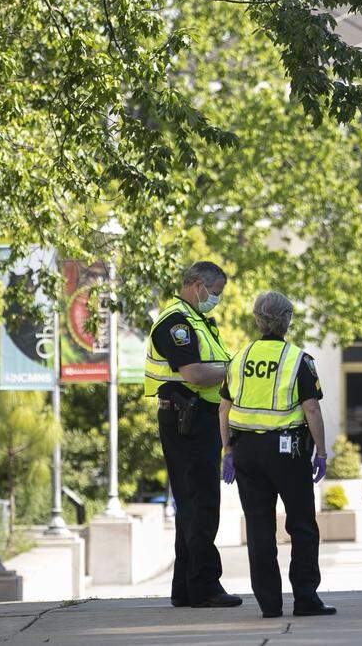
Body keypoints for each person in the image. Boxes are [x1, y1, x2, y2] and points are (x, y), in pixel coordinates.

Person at [218, 291, 335, 618]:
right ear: (287, 321)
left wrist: (227, 449)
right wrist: (322, 452)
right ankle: (306, 598)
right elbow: (311, 408)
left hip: (245, 452)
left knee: (258, 527)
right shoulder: (298, 360)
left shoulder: (238, 357)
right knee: (302, 525)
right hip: (288, 451)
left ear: (257, 319)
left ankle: (269, 604)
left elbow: (223, 407)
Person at [144, 261, 240, 608]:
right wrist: (234, 371)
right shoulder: (176, 323)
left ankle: (185, 587)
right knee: (201, 505)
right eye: (214, 293)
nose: (215, 299)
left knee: (192, 505)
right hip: (188, 419)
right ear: (197, 284)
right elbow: (197, 374)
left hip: (197, 418)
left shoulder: (195, 321)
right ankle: (204, 586)